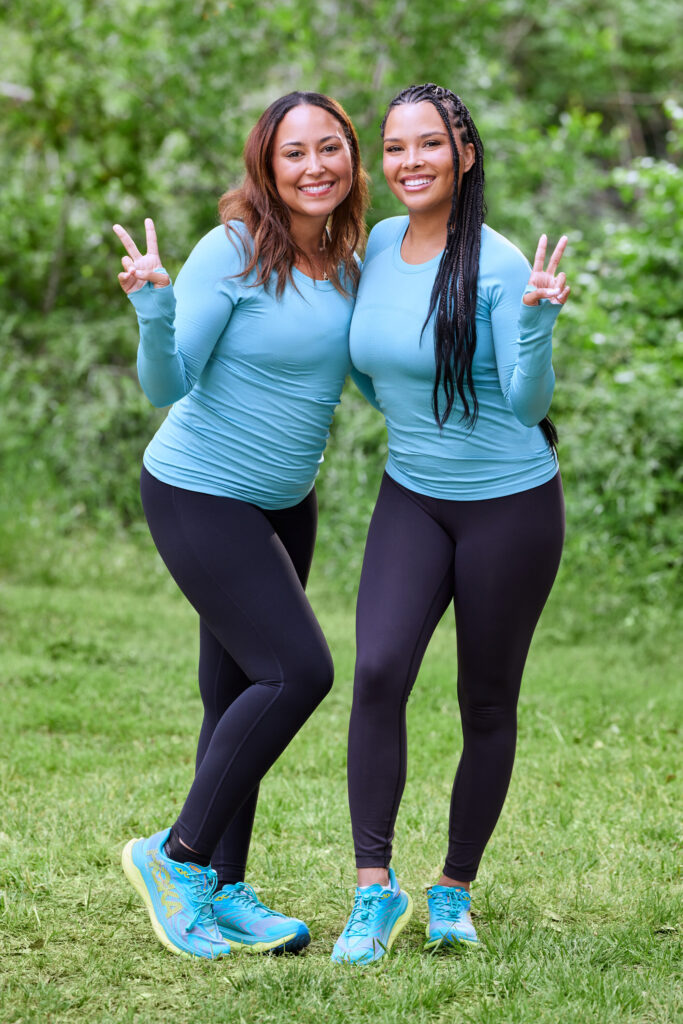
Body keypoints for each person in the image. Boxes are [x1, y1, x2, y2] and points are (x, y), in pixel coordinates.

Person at [113, 91, 369, 960]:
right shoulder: (229, 252)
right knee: (298, 671)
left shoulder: (347, 262)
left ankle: (221, 891)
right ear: (265, 166)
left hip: (285, 501)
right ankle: (173, 857)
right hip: (199, 492)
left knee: (234, 697)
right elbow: (166, 382)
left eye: (329, 148)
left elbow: (371, 382)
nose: (314, 166)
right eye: (293, 153)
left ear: (350, 159)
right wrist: (153, 306)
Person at [331, 83, 570, 964]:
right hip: (413, 496)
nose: (408, 164)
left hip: (510, 506)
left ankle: (453, 889)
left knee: (485, 701)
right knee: (379, 670)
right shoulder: (380, 245)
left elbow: (524, 398)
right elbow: (369, 364)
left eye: (427, 145)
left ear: (463, 155)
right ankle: (371, 889)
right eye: (393, 148)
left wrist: (537, 326)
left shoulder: (503, 264)